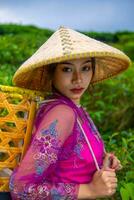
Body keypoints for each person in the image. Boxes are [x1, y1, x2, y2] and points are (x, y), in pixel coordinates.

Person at [9, 26, 131, 199]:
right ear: (52, 72)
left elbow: (72, 158)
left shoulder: (76, 109)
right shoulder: (62, 113)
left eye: (86, 68)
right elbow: (21, 188)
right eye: (67, 69)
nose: (78, 79)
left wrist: (104, 160)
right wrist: (90, 190)